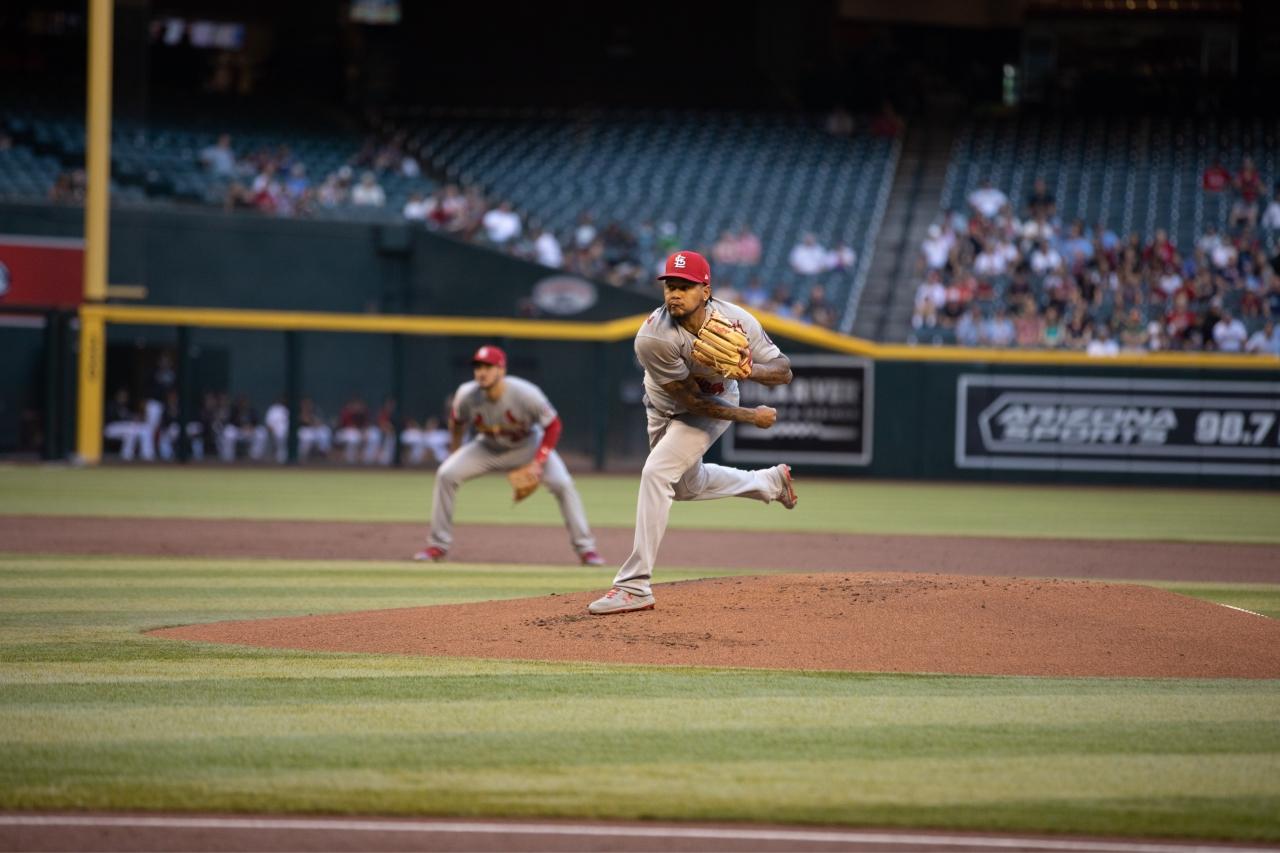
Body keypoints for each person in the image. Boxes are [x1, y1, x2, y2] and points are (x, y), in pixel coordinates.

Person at [588, 250, 796, 616]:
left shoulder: (737, 320)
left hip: (716, 401)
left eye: (685, 286)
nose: (675, 293)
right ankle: (768, 483)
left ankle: (634, 586)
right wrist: (750, 416)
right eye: (670, 285)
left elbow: (783, 371)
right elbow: (690, 401)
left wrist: (750, 372)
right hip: (666, 407)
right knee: (684, 486)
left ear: (706, 290)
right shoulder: (653, 337)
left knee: (656, 473)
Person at [414, 345, 603, 567]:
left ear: (501, 370)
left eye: (488, 367)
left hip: (528, 446)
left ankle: (586, 549)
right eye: (478, 367)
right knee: (446, 473)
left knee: (563, 484)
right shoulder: (466, 394)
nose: (481, 372)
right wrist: (454, 452)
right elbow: (456, 423)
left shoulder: (525, 393)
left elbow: (553, 425)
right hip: (487, 448)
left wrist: (538, 461)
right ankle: (438, 545)